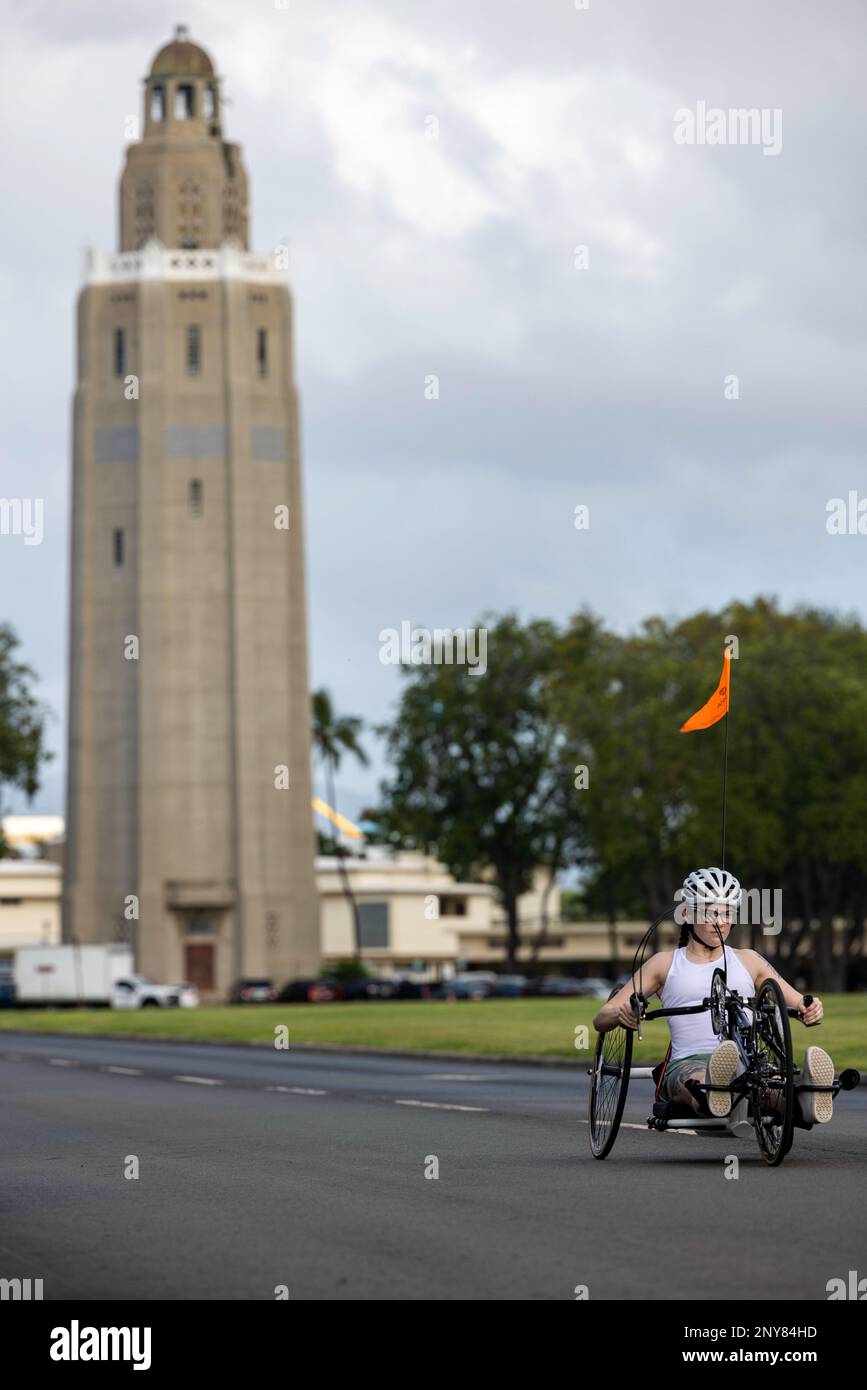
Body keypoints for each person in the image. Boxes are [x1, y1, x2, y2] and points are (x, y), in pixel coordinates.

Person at [592, 867, 835, 1123]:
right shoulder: (664, 964)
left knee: (771, 1088)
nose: (720, 922)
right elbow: (601, 1018)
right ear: (687, 913)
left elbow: (798, 1001)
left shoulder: (749, 960)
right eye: (710, 912)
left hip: (750, 1062)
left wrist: (811, 1008)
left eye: (727, 913)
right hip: (689, 1062)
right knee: (700, 1080)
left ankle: (805, 1099)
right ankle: (717, 1088)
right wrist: (622, 1012)